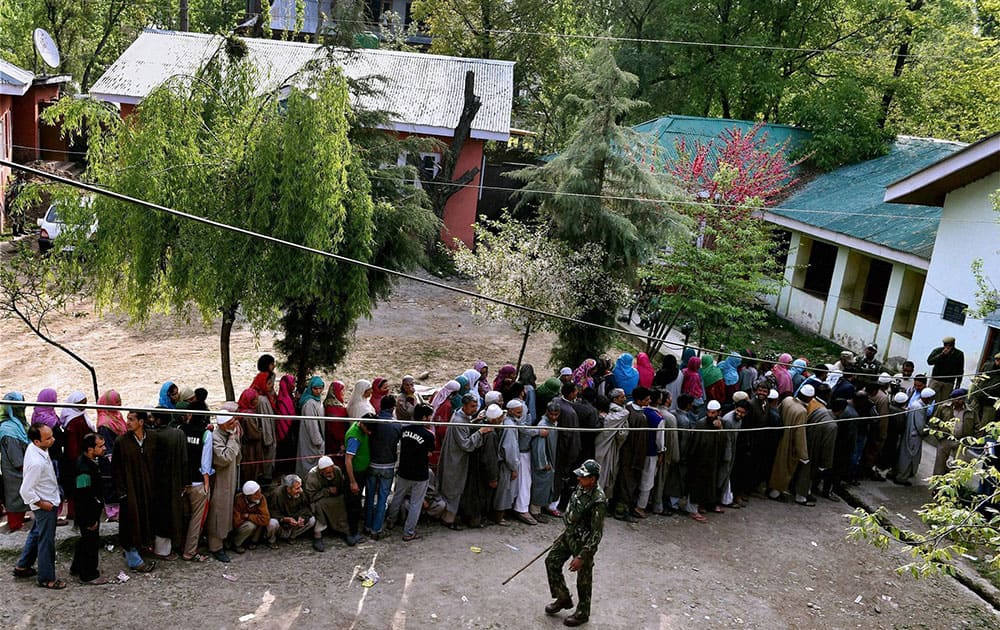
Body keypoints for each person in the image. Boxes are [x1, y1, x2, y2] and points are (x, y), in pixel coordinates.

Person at [544, 459, 607, 627]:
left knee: (584, 579)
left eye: (583, 476)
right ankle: (563, 597)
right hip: (569, 536)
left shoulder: (598, 501)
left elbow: (596, 534)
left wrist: (582, 556)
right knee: (552, 561)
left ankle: (582, 613)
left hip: (584, 544)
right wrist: (565, 533)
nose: (579, 479)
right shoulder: (581, 487)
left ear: (592, 479)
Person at [13, 423, 66, 589]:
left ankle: (23, 566)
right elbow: (25, 490)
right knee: (46, 542)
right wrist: (44, 504)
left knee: (36, 534)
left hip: (47, 500)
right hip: (45, 504)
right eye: (48, 438)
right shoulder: (37, 462)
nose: (53, 439)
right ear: (37, 441)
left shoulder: (36, 449)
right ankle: (47, 578)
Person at [437, 394, 493, 530]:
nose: (474, 409)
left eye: (476, 406)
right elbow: (466, 444)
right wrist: (480, 432)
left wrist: (474, 421)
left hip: (457, 459)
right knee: (453, 489)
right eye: (472, 406)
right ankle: (448, 519)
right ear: (464, 406)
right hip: (455, 461)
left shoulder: (462, 417)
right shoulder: (458, 421)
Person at [113, 410, 157, 572]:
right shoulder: (121, 442)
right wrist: (122, 492)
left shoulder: (152, 438)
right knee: (129, 524)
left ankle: (141, 549)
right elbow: (116, 469)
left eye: (131, 419)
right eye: (127, 419)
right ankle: (134, 560)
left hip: (147, 491)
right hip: (129, 492)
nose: (128, 422)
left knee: (145, 521)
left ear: (141, 422)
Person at [387, 404, 435, 540]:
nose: (431, 419)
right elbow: (430, 453)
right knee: (416, 503)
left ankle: (391, 521)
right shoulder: (428, 435)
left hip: (404, 470)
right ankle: (408, 532)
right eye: (429, 417)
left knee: (397, 496)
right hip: (420, 474)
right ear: (424, 417)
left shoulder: (404, 430)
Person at [149, 408, 187, 559]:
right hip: (175, 481)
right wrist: (185, 482)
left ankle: (162, 550)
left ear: (158, 420)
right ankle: (167, 550)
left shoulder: (152, 435)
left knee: (161, 517)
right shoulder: (178, 434)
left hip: (157, 483)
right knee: (172, 516)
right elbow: (184, 460)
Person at [178, 398, 213, 562]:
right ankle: (190, 551)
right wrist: (206, 483)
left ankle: (179, 546)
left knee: (183, 516)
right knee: (196, 520)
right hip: (198, 482)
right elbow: (205, 463)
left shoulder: (180, 430)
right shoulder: (206, 433)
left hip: (182, 481)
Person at [71, 432, 108, 584]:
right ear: (90, 449)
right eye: (100, 446)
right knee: (90, 543)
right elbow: (83, 496)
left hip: (91, 511)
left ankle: (77, 567)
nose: (104, 448)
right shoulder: (83, 469)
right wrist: (90, 519)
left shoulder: (91, 462)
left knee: (86, 540)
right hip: (87, 513)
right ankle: (89, 574)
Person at [768, 384, 813, 505]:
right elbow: (800, 434)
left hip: (779, 437)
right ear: (809, 398)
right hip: (789, 443)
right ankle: (775, 493)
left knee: (776, 466)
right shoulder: (801, 411)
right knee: (784, 469)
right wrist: (803, 454)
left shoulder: (787, 400)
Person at [207, 413, 241, 562]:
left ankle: (224, 539)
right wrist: (233, 440)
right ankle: (215, 546)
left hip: (230, 479)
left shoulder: (230, 434)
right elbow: (224, 458)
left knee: (226, 511)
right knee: (218, 513)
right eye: (231, 422)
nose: (234, 424)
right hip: (220, 482)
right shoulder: (216, 438)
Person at [612, 387, 650, 521]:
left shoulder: (627, 408)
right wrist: (638, 460)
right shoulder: (641, 417)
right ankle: (621, 512)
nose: (649, 401)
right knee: (628, 485)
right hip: (633, 457)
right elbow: (640, 442)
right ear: (639, 401)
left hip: (624, 453)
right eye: (646, 400)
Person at [366, 395, 402, 538]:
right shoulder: (396, 425)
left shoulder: (373, 421)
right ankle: (377, 529)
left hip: (372, 463)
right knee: (382, 498)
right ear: (393, 408)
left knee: (369, 496)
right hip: (388, 465)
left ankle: (367, 526)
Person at [931, 389, 981, 476]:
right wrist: (938, 436)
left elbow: (977, 427)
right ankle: (936, 486)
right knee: (939, 464)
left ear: (964, 399)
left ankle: (953, 486)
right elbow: (934, 422)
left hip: (961, 442)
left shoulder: (971, 411)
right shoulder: (943, 407)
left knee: (958, 465)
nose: (957, 401)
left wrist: (971, 441)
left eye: (959, 399)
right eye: (954, 399)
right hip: (945, 440)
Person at [894, 387, 936, 486]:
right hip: (913, 435)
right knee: (909, 456)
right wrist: (926, 431)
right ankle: (902, 477)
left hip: (910, 433)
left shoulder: (917, 404)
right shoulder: (919, 407)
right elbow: (919, 424)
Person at [0, 393, 30, 532]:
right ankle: (14, 524)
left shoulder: (17, 424)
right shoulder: (8, 429)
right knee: (14, 495)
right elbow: (14, 455)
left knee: (22, 495)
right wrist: (24, 466)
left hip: (22, 466)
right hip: (14, 469)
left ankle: (20, 518)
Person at [305, 456, 349, 546]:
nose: (331, 473)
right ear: (321, 472)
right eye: (328, 472)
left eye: (332, 471)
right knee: (318, 506)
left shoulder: (337, 471)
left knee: (342, 500)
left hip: (335, 498)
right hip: (319, 500)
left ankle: (343, 530)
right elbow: (310, 497)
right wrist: (327, 491)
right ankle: (318, 534)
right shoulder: (312, 477)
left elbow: (341, 487)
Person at [593, 388, 628, 499]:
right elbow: (622, 433)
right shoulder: (617, 415)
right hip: (605, 449)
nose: (625, 399)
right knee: (602, 474)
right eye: (622, 397)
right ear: (615, 399)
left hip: (603, 448)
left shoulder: (605, 414)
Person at [344, 418, 374, 545]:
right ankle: (352, 533)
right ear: (362, 425)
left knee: (356, 503)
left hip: (361, 472)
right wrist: (352, 482)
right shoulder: (355, 437)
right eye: (368, 429)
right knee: (353, 505)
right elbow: (348, 460)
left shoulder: (362, 429)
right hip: (355, 474)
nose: (369, 433)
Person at [267, 474, 317, 549]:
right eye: (297, 488)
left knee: (312, 520)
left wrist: (302, 517)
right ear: (288, 489)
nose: (300, 490)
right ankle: (272, 541)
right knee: (272, 523)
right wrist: (285, 519)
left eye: (300, 487)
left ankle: (292, 536)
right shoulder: (276, 495)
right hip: (281, 524)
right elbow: (272, 512)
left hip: (294, 523)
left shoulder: (301, 492)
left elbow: (306, 507)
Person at [494, 400, 521, 525]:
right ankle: (499, 517)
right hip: (507, 465)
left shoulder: (509, 422)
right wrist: (513, 467)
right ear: (510, 411)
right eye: (518, 412)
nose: (520, 414)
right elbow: (509, 449)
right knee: (504, 491)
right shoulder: (510, 426)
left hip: (506, 464)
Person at [297, 376, 326, 479]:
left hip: (316, 439)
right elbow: (312, 425)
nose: (318, 391)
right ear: (310, 388)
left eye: (320, 388)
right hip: (311, 440)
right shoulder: (309, 404)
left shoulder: (318, 401)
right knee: (308, 467)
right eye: (315, 388)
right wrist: (318, 442)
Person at [231, 480, 269, 552]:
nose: (259, 496)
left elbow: (265, 519)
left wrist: (249, 516)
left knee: (260, 523)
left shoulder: (261, 498)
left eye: (260, 492)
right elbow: (236, 521)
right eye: (256, 494)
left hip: (250, 521)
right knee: (250, 525)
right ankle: (237, 544)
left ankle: (253, 541)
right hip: (241, 527)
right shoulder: (238, 499)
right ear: (249, 496)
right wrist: (255, 517)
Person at [927, 336, 966, 402]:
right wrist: (941, 354)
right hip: (936, 380)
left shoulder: (959, 354)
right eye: (945, 345)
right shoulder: (938, 350)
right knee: (929, 398)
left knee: (943, 402)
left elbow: (960, 370)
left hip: (948, 382)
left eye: (949, 345)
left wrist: (958, 383)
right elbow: (930, 361)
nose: (947, 347)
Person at [323, 380, 349, 456]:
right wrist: (341, 443)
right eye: (342, 390)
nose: (343, 393)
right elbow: (336, 429)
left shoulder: (328, 403)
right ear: (336, 391)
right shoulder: (334, 408)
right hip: (337, 442)